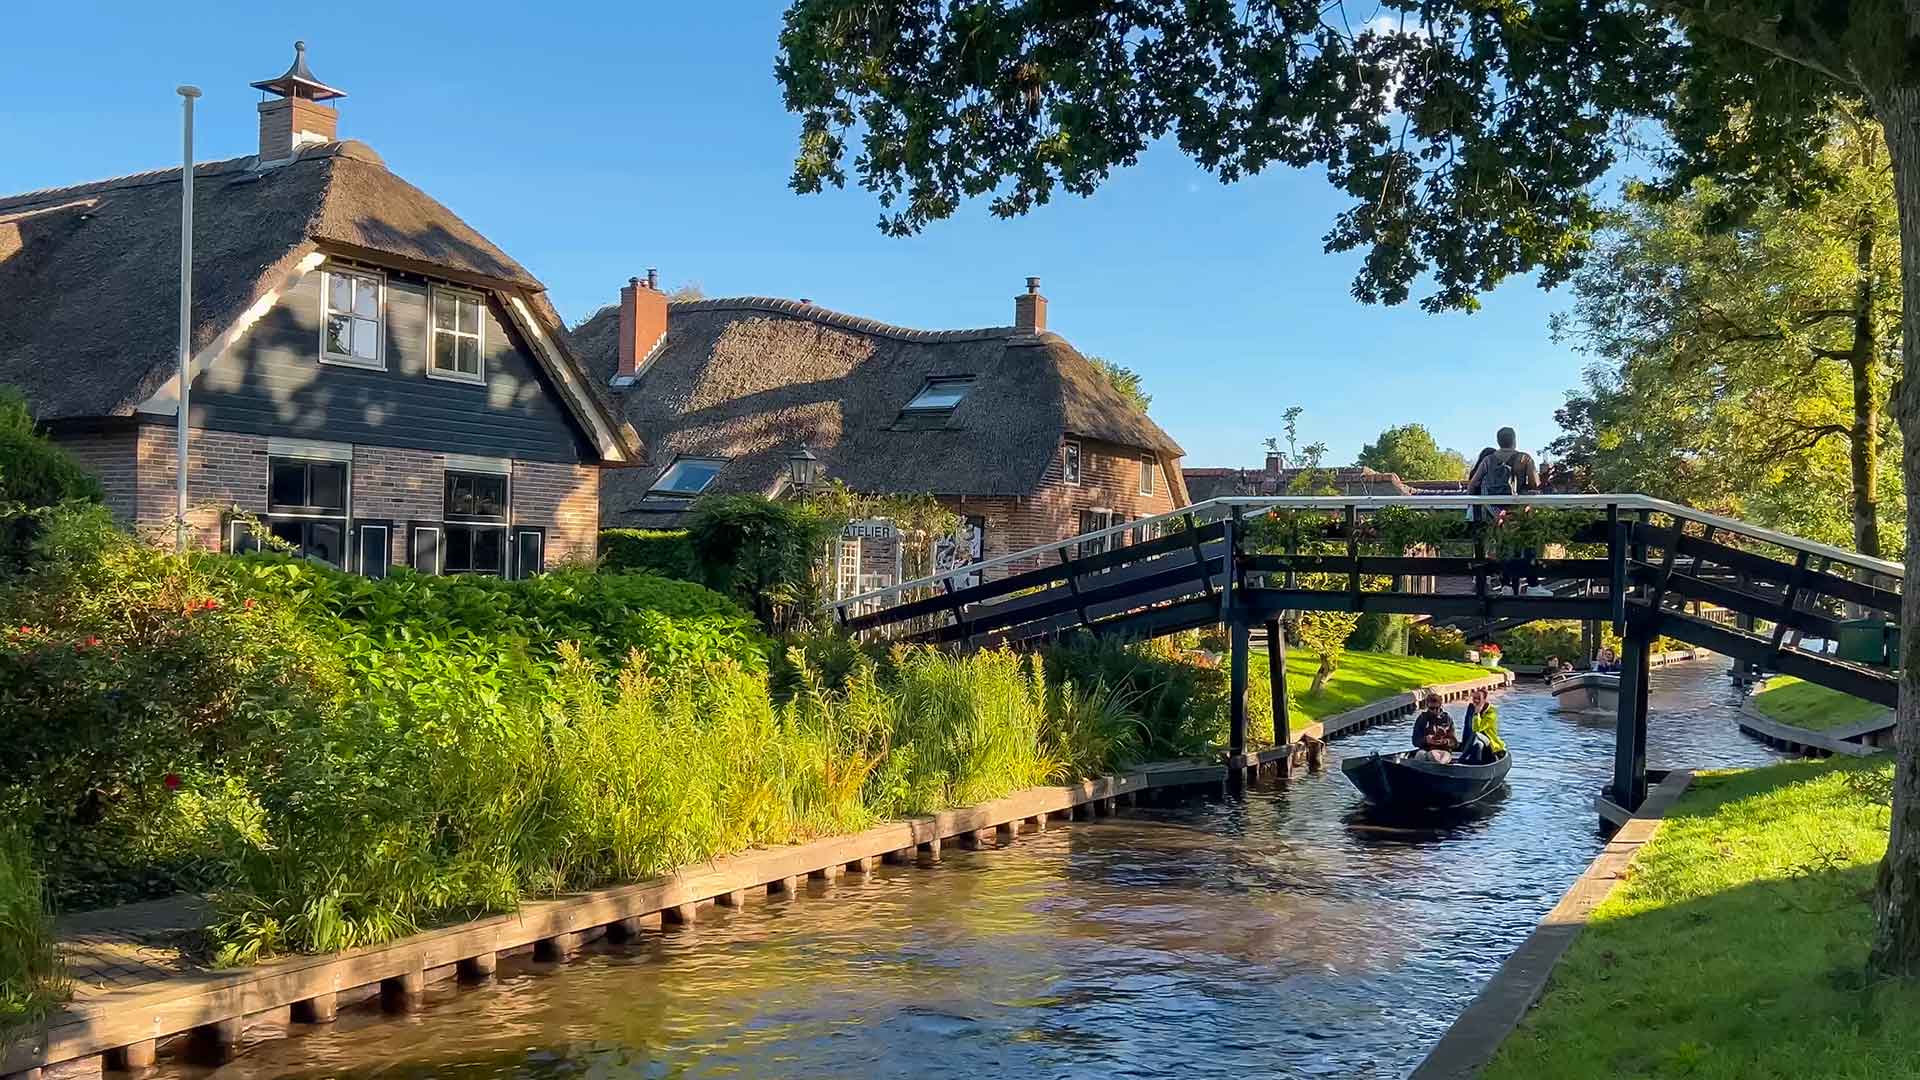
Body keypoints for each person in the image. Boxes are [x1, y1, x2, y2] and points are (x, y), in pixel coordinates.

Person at [1467, 427, 1549, 597]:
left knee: (1503, 546)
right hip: (1517, 512)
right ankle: (1533, 585)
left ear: (1498, 441)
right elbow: (1535, 485)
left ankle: (1506, 586)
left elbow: (1473, 484)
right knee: (1528, 542)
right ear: (1514, 440)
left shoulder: (1488, 460)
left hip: (1496, 513)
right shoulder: (1524, 458)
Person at [1459, 687, 1507, 765]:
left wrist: (1477, 714)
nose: (1476, 701)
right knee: (1479, 745)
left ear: (1484, 699)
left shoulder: (1491, 713)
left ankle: (1461, 758)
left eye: (1479, 698)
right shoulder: (1471, 708)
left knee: (1476, 734)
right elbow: (1467, 728)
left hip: (1489, 741)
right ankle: (1476, 765)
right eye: (1474, 698)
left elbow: (1477, 729)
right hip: (1478, 741)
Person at [1411, 692, 1459, 762]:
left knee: (1440, 759)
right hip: (1426, 749)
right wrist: (1426, 740)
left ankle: (1439, 765)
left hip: (1444, 750)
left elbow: (1455, 743)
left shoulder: (1447, 719)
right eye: (1432, 708)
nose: (1435, 711)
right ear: (1427, 706)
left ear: (1440, 706)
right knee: (1420, 756)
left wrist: (1445, 741)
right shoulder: (1422, 719)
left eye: (1437, 708)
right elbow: (1415, 741)